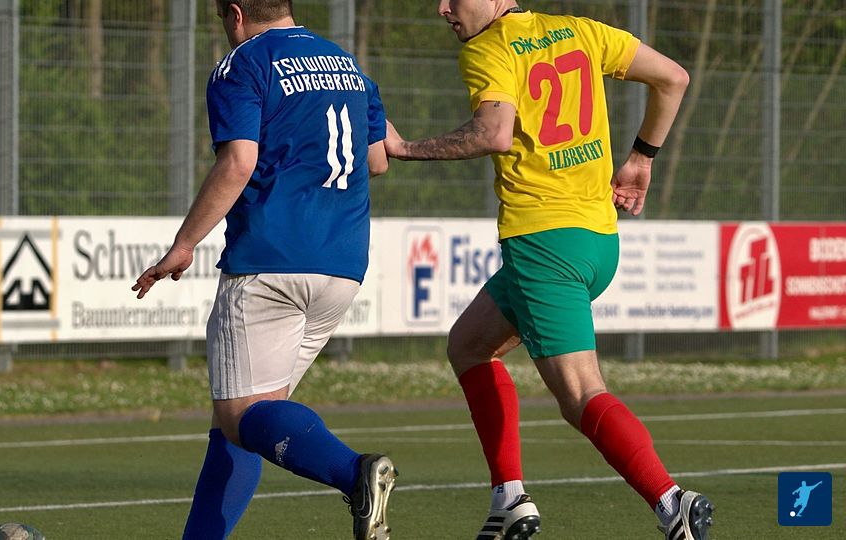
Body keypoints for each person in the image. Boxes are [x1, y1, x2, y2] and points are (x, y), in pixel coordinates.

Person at [383, 2, 712, 540]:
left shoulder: (489, 47)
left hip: (544, 244)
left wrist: (404, 148)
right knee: (468, 344)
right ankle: (509, 498)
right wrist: (642, 157)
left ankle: (672, 502)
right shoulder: (578, 31)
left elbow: (493, 133)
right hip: (597, 239)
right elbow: (673, 78)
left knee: (581, 395)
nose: (443, 8)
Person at [131, 1, 395, 539]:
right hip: (341, 265)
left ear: (235, 13)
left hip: (271, 262)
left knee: (241, 416)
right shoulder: (347, 64)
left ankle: (355, 472)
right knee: (243, 423)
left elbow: (238, 162)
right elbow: (378, 160)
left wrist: (184, 244)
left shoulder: (245, 63)